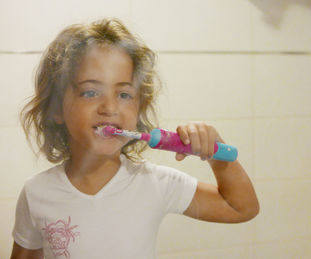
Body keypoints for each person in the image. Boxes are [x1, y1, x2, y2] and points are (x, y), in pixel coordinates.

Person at [10, 18, 259, 259]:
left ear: (139, 107)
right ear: (55, 108)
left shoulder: (154, 183)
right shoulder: (37, 193)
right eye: (90, 92)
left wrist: (215, 153)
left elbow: (241, 207)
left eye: (124, 94)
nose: (110, 107)